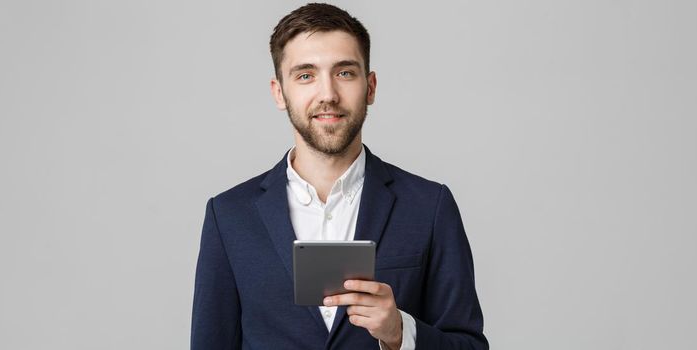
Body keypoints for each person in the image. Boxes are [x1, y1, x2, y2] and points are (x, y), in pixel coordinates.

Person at [190, 3, 488, 349]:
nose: (328, 94)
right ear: (279, 92)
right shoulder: (229, 216)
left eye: (344, 73)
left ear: (370, 86)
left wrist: (399, 331)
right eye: (306, 75)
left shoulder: (429, 206)